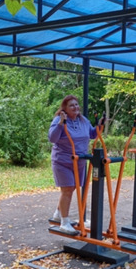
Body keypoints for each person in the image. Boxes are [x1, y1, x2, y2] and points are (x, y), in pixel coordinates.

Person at [48, 95, 99, 234]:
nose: (75, 107)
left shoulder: (83, 120)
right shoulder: (59, 120)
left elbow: (93, 134)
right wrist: (61, 123)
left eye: (76, 104)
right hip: (63, 161)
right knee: (67, 189)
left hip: (79, 161)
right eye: (71, 105)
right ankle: (64, 222)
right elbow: (52, 138)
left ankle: (58, 214)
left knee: (72, 188)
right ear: (64, 108)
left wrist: (99, 125)